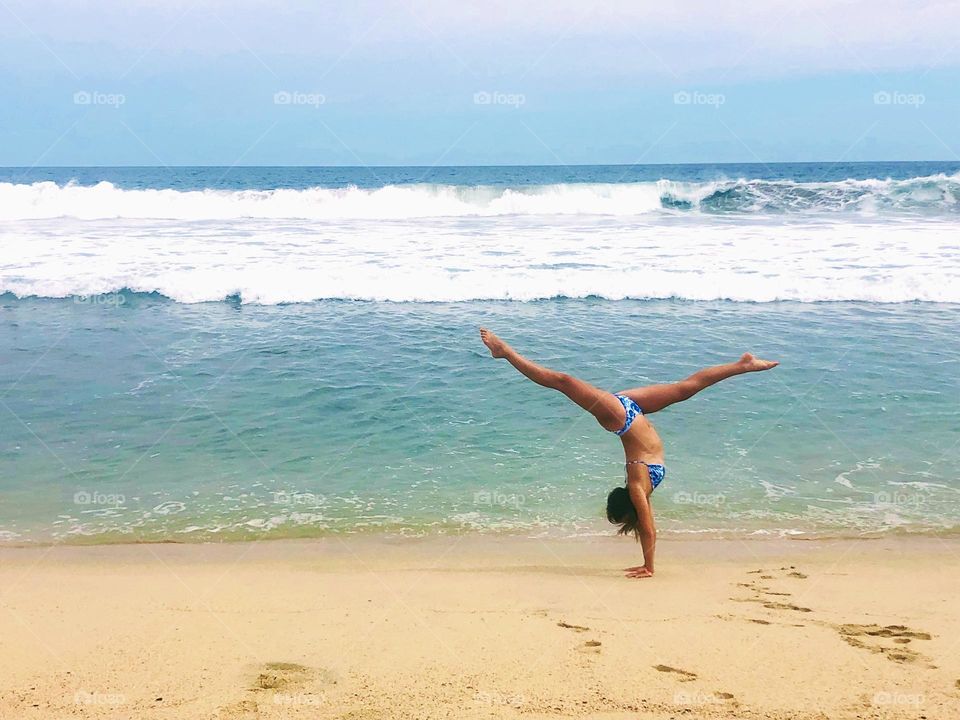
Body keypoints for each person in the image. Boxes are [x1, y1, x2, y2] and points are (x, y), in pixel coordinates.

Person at [479, 327, 778, 579]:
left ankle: (744, 365)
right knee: (564, 382)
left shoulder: (643, 486)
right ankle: (505, 352)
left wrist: (649, 562)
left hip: (626, 416)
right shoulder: (637, 487)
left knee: (685, 388)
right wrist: (649, 566)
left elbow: (646, 527)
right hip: (626, 416)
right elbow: (648, 529)